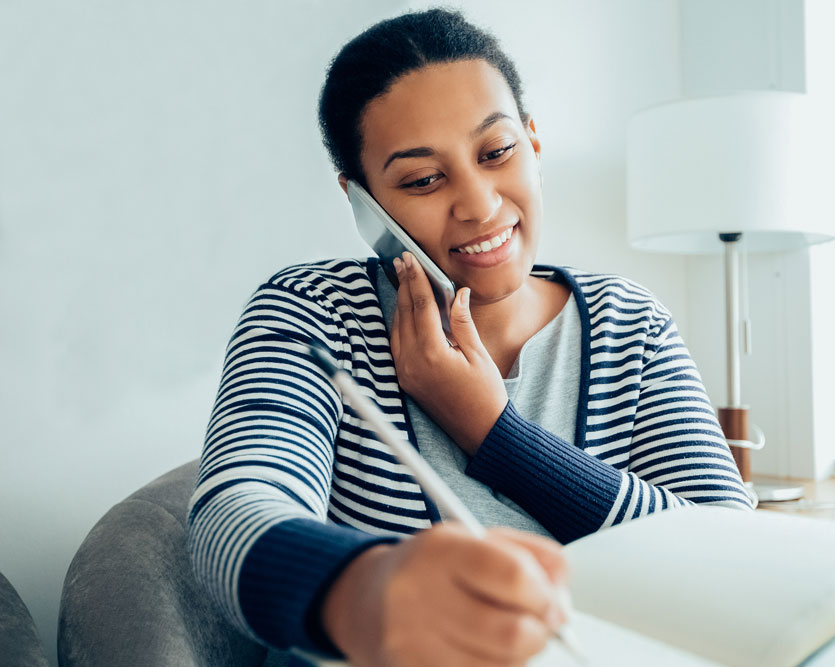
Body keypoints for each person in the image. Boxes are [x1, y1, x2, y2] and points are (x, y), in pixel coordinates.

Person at [187, 8, 754, 667]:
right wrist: (365, 592)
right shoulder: (313, 312)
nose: (480, 204)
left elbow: (728, 554)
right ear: (363, 203)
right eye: (423, 179)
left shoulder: (633, 322)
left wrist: (494, 433)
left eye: (496, 152)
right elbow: (233, 511)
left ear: (534, 145)